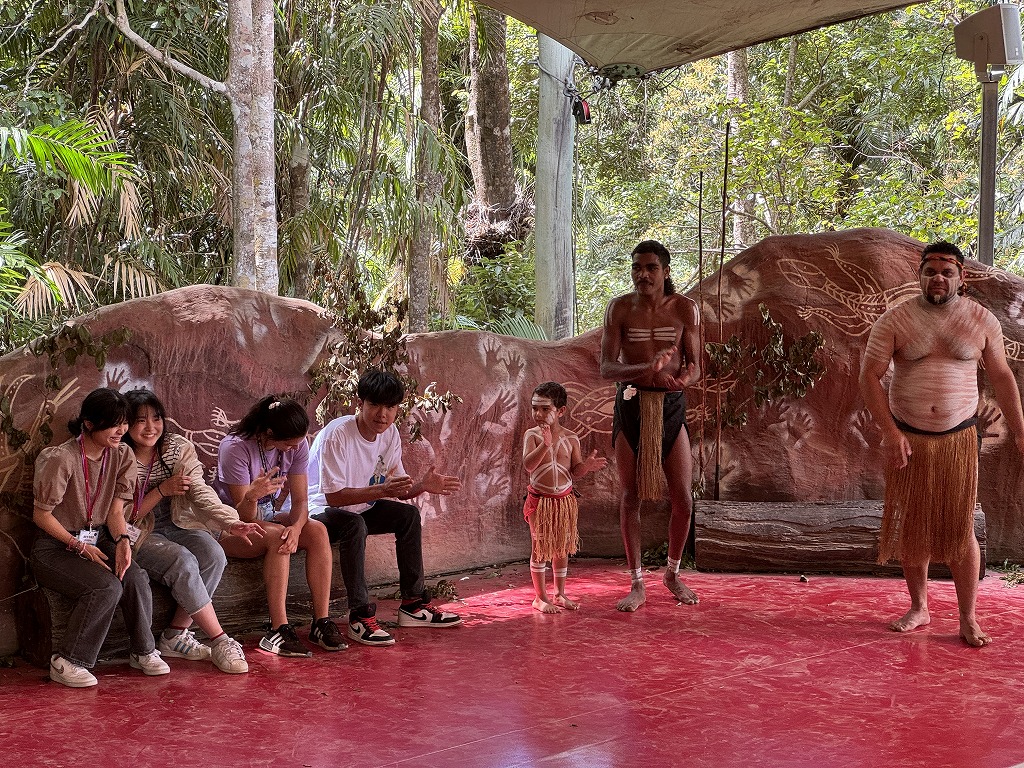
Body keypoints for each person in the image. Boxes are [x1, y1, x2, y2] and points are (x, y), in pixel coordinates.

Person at [860, 240, 1024, 647]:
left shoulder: (981, 320)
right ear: (919, 275)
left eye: (947, 272)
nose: (938, 278)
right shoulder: (895, 319)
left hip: (958, 438)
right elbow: (869, 376)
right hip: (909, 437)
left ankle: (968, 617)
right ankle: (920, 607)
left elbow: (1001, 376)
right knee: (913, 524)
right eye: (930, 271)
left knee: (960, 526)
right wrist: (891, 433)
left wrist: (1020, 430)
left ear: (960, 277)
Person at [309, 369, 462, 647]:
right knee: (354, 525)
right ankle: (359, 616)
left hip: (360, 507)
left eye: (390, 407)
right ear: (360, 403)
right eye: (375, 405)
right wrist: (381, 491)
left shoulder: (390, 434)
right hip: (319, 511)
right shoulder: (337, 434)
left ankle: (413, 605)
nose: (383, 414)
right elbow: (333, 497)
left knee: (408, 515)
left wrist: (422, 485)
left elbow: (397, 489)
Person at [31, 387, 169, 687]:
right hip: (55, 546)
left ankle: (143, 651)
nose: (122, 430)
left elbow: (115, 511)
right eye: (114, 424)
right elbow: (41, 516)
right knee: (105, 588)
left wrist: (123, 542)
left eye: (124, 423)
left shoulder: (121, 454)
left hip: (97, 536)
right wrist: (76, 544)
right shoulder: (62, 458)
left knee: (134, 575)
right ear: (89, 424)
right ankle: (67, 661)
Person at [123, 389, 264, 674]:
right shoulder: (119, 455)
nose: (150, 427)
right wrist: (161, 490)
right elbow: (123, 516)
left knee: (213, 554)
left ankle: (175, 634)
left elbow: (200, 491)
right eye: (140, 420)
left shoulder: (177, 448)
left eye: (156, 418)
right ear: (126, 424)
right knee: (182, 560)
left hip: (179, 522)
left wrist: (230, 522)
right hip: (136, 530)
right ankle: (220, 639)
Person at [600, 239, 702, 612]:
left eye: (651, 268)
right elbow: (606, 368)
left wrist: (684, 379)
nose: (642, 275)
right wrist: (647, 368)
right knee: (631, 496)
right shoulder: (619, 308)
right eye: (637, 267)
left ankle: (672, 574)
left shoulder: (686, 309)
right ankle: (636, 583)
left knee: (683, 500)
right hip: (631, 404)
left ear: (666, 271)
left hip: (670, 406)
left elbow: (696, 365)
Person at [216, 395, 344, 657]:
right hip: (228, 524)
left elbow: (301, 501)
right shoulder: (235, 448)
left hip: (267, 515)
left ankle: (321, 622)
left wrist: (296, 528)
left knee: (317, 530)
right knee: (278, 537)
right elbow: (243, 517)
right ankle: (278, 629)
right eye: (288, 443)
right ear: (269, 433)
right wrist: (252, 496)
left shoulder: (297, 444)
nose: (294, 448)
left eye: (298, 442)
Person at [522, 381, 607, 613]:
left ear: (560, 411)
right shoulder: (532, 435)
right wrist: (545, 445)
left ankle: (559, 594)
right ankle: (540, 597)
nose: (538, 414)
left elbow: (575, 470)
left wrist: (586, 467)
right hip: (540, 501)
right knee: (540, 546)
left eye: (545, 409)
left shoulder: (571, 438)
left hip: (563, 501)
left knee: (561, 547)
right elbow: (529, 465)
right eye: (534, 408)